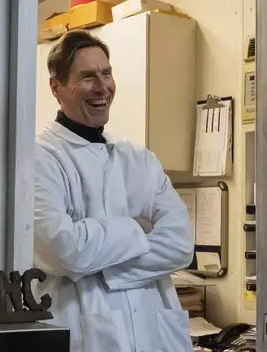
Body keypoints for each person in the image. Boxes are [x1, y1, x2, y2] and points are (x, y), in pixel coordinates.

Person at [33, 30, 195, 352]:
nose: (103, 86)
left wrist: (94, 266)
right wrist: (136, 227)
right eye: (87, 76)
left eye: (106, 73)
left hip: (153, 336)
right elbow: (65, 249)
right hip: (84, 336)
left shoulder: (140, 160)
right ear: (56, 87)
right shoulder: (39, 158)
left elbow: (180, 244)